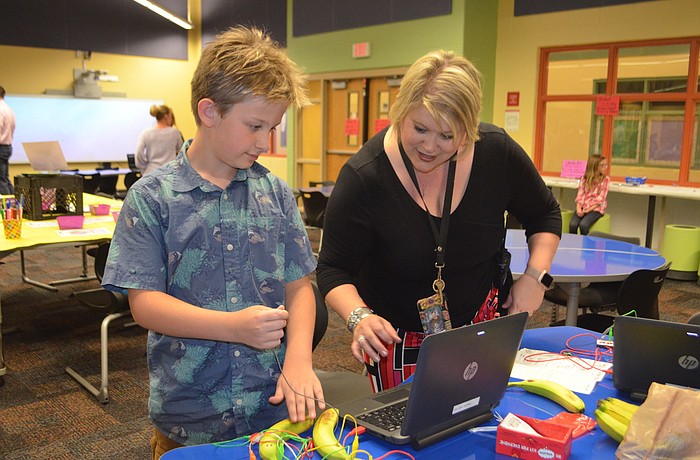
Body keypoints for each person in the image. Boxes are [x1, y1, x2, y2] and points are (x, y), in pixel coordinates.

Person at [101, 26, 323, 458]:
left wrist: (299, 359)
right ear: (209, 111)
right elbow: (144, 304)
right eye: (255, 126)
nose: (266, 142)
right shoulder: (153, 198)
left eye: (274, 128)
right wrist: (233, 326)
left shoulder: (275, 192)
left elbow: (300, 286)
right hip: (189, 417)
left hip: (271, 411)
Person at [316, 50, 562, 393]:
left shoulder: (496, 153)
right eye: (419, 128)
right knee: (406, 435)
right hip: (397, 339)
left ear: (469, 129)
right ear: (400, 113)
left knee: (478, 418)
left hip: (480, 322)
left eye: (448, 136)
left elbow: (545, 213)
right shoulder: (365, 177)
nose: (429, 147)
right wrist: (359, 316)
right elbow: (331, 269)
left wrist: (536, 277)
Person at [134, 104, 184, 175]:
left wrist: (144, 168)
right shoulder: (175, 133)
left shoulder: (146, 133)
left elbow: (139, 154)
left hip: (150, 174)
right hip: (170, 174)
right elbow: (182, 152)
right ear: (166, 116)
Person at [569, 154, 609, 235]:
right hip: (583, 206)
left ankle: (586, 245)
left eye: (606, 165)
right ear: (594, 166)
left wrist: (588, 209)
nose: (605, 167)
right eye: (602, 165)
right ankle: (573, 245)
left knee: (583, 225)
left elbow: (600, 199)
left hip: (595, 209)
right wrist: (579, 208)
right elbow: (580, 195)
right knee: (573, 225)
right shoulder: (584, 179)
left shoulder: (605, 180)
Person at [0, 85, 16, 195]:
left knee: (1, 181)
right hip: (7, 146)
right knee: (4, 178)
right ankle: (14, 207)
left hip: (1, 147)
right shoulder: (8, 108)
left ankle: (6, 210)